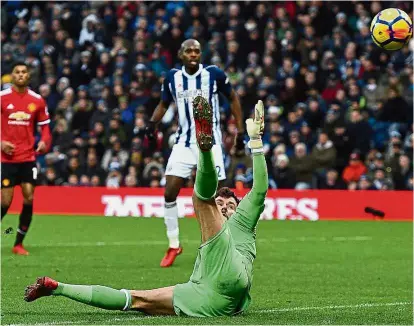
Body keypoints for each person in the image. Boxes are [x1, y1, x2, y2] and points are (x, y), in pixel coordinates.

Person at [25, 98, 268, 317]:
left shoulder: (242, 222)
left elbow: (258, 190)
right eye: (222, 204)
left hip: (230, 272)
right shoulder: (217, 239)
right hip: (205, 294)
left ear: (239, 209)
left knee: (202, 199)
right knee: (134, 299)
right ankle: (57, 287)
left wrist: (256, 143)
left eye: (230, 205)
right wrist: (58, 289)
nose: (225, 208)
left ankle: (204, 150)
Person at [143, 39, 244, 267]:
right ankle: (173, 244)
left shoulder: (214, 74)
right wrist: (152, 124)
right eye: (189, 51)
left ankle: (227, 242)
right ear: (181, 55)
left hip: (211, 143)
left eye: (197, 51)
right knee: (170, 191)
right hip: (184, 142)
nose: (193, 54)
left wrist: (241, 131)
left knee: (220, 195)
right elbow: (163, 103)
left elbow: (233, 98)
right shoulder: (172, 77)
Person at [1, 62, 51, 255]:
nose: (21, 75)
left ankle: (18, 243)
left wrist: (44, 142)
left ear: (28, 76)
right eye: (17, 72)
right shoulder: (3, 98)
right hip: (6, 159)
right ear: (12, 76)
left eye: (24, 72)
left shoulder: (37, 100)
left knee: (29, 197)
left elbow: (45, 127)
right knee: (5, 202)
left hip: (28, 157)